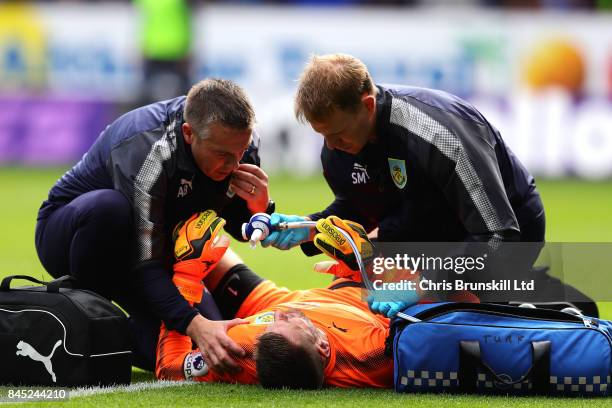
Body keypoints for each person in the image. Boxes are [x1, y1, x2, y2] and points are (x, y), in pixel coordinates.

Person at [262, 53, 547, 310]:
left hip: (507, 238)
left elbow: (498, 235)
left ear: (368, 105)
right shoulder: (341, 146)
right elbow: (362, 207)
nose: (331, 146)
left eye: (337, 134)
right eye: (322, 135)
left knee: (454, 334)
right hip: (430, 231)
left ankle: (541, 310)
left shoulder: (438, 137)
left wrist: (423, 285)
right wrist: (308, 227)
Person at [34, 78, 275, 372]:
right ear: (189, 134)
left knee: (201, 351)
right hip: (76, 239)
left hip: (150, 247)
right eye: (224, 155)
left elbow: (237, 224)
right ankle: (85, 317)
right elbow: (145, 264)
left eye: (241, 152)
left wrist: (260, 210)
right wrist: (193, 322)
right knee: (110, 209)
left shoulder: (238, 143)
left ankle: (112, 336)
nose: (235, 164)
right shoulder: (151, 151)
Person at [155, 210, 394, 389]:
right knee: (389, 234)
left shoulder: (243, 349)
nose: (280, 313)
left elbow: (169, 368)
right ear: (322, 345)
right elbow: (421, 300)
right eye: (290, 320)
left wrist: (187, 277)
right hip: (359, 291)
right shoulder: (373, 354)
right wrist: (368, 261)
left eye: (271, 323)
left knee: (187, 240)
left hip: (266, 299)